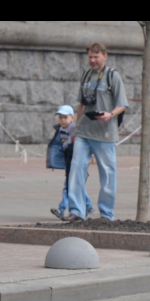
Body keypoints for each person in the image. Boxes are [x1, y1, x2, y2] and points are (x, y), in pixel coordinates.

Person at [68, 43, 128, 223]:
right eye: (90, 57)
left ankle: (106, 214)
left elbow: (122, 104)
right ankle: (77, 211)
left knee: (108, 174)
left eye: (96, 57)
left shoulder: (112, 76)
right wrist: (75, 128)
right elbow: (81, 104)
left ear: (105, 56)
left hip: (105, 134)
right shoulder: (86, 75)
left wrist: (110, 115)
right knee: (76, 170)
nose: (93, 60)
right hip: (84, 132)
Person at [48, 105, 93, 221]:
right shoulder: (60, 129)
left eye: (65, 117)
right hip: (69, 158)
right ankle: (88, 206)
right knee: (76, 185)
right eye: (60, 118)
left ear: (72, 118)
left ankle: (62, 208)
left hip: (76, 158)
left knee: (69, 186)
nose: (62, 120)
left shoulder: (74, 128)